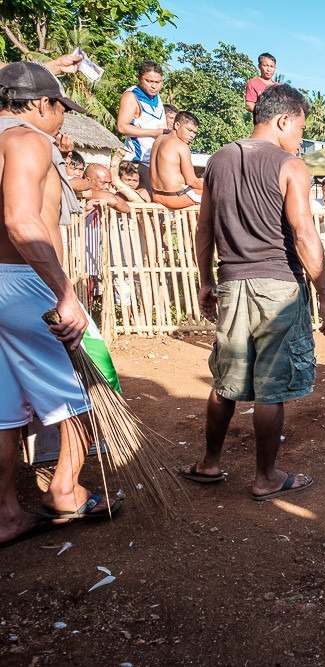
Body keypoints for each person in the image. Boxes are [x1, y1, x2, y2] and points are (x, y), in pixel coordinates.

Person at [188, 84, 325, 500]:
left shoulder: (218, 159)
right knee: (272, 388)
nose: (301, 138)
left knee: (226, 380)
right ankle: (266, 477)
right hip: (278, 286)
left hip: (232, 283)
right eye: (301, 128)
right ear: (283, 119)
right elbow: (303, 232)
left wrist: (206, 280)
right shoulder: (291, 166)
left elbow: (203, 229)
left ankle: (209, 462)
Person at [0, 61, 125, 547]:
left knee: (6, 410)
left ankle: (7, 514)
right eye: (59, 107)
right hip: (26, 283)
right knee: (89, 385)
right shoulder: (26, 140)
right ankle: (66, 491)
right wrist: (64, 293)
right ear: (39, 104)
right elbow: (21, 220)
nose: (61, 120)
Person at [116, 61, 166, 189]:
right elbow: (122, 127)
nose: (153, 86)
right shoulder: (131, 96)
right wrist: (154, 133)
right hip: (137, 162)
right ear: (138, 78)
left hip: (154, 162)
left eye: (157, 82)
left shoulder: (157, 98)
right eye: (149, 81)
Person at [148, 110, 202, 209]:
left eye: (194, 133)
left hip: (156, 195)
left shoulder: (159, 139)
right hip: (175, 197)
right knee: (217, 195)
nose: (192, 136)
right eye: (189, 130)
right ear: (177, 125)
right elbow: (191, 181)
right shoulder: (182, 146)